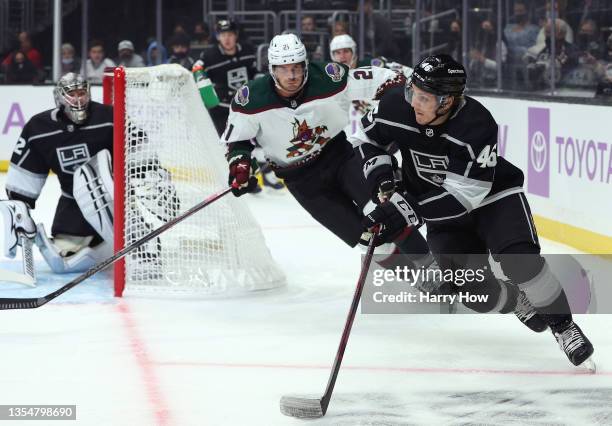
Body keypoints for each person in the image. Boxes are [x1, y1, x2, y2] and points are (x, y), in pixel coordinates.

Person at [353, 54, 594, 368]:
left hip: (493, 199)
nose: (414, 103)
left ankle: (563, 326)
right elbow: (366, 139)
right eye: (413, 92)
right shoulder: (395, 106)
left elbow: (463, 196)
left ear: (447, 101)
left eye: (424, 98)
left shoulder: (477, 125)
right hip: (441, 212)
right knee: (471, 290)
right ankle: (516, 300)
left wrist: (406, 208)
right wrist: (384, 181)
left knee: (521, 262)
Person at [222, 33, 432, 277]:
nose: (291, 76)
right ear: (272, 69)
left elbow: (386, 80)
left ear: (306, 66)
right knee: (368, 239)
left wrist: (401, 104)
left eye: (297, 68)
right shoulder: (250, 99)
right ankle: (419, 280)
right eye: (283, 69)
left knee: (387, 211)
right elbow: (238, 140)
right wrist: (240, 164)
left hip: (339, 156)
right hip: (302, 181)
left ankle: (434, 269)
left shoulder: (330, 77)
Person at [1, 73, 114, 274]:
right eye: (72, 94)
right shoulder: (39, 128)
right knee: (62, 264)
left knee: (142, 257)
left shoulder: (110, 117)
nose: (78, 99)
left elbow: (140, 154)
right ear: (60, 97)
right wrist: (19, 210)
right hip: (74, 211)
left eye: (82, 93)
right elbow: (24, 178)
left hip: (119, 207)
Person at [198, 19, 258, 135]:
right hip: (221, 109)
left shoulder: (248, 50)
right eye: (223, 35)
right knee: (225, 145)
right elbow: (198, 74)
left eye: (230, 34)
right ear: (217, 37)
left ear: (236, 35)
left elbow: (254, 73)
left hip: (246, 107)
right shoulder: (209, 56)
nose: (226, 39)